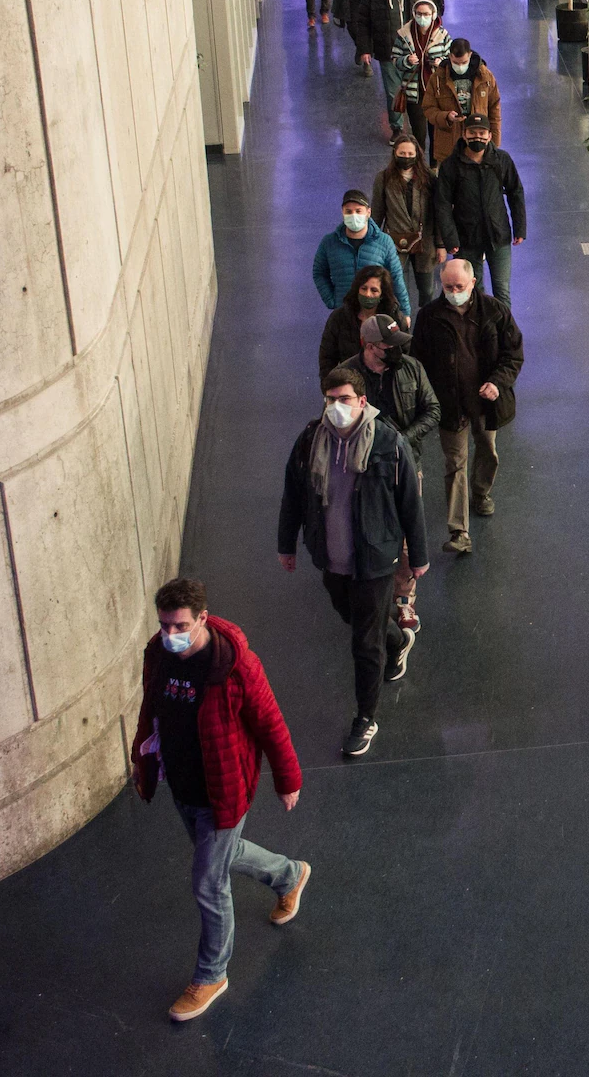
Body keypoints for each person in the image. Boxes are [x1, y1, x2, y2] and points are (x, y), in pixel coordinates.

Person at [132, 578, 306, 1023]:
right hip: (183, 785)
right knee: (222, 858)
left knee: (208, 883)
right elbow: (150, 710)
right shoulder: (158, 653)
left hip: (223, 791)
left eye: (180, 625)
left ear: (203, 619)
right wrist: (142, 760)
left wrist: (288, 779)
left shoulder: (235, 666)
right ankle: (289, 875)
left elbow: (270, 722)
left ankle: (212, 974)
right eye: (165, 625)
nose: (171, 634)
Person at [277, 365, 430, 757]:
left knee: (364, 643)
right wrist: (287, 545)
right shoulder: (311, 440)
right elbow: (293, 494)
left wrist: (419, 556)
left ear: (362, 402)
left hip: (375, 559)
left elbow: (410, 502)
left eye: (344, 399)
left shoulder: (388, 443)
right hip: (332, 558)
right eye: (330, 399)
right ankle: (397, 640)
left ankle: (366, 717)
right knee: (357, 619)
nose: (336, 407)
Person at [410, 259, 524, 555]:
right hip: (450, 404)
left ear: (473, 283)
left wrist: (497, 383)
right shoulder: (429, 317)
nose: (454, 291)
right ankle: (459, 531)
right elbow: (417, 363)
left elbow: (513, 354)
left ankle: (481, 492)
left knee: (488, 450)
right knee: (455, 463)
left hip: (486, 404)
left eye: (459, 286)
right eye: (448, 287)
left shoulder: (495, 311)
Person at [344, 313, 440, 626]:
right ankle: (370, 594)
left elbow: (433, 409)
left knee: (408, 537)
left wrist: (402, 440)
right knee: (365, 532)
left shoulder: (411, 368)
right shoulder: (345, 377)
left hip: (407, 464)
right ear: (369, 346)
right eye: (389, 346)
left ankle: (404, 600)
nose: (397, 351)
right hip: (362, 471)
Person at [434, 115, 526, 306]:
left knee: (502, 291)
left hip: (498, 235)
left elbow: (515, 192)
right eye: (472, 133)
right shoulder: (450, 166)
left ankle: (503, 333)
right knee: (473, 292)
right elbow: (442, 204)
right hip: (466, 239)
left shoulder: (501, 160)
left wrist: (520, 228)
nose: (478, 137)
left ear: (490, 135)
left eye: (482, 133)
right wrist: (450, 239)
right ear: (464, 135)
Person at [371, 132, 444, 307]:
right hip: (394, 241)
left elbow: (439, 213)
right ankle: (401, 326)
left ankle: (425, 324)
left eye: (410, 154)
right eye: (402, 154)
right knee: (396, 288)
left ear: (417, 155)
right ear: (394, 153)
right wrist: (372, 242)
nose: (406, 157)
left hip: (425, 242)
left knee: (427, 290)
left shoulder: (430, 178)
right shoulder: (383, 178)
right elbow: (377, 212)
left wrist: (441, 245)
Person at [312, 188, 411, 318]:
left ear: (368, 212)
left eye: (358, 211)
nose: (354, 215)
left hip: (376, 312)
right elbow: (319, 272)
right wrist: (331, 300)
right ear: (343, 212)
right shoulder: (329, 242)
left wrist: (404, 311)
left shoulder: (384, 242)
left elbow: (396, 277)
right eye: (349, 211)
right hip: (344, 312)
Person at [392, 0, 451, 165]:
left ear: (433, 15)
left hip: (436, 92)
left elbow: (451, 59)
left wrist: (442, 63)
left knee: (436, 132)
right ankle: (418, 166)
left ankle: (434, 166)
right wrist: (406, 61)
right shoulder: (404, 34)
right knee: (418, 133)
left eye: (426, 14)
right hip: (414, 93)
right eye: (418, 13)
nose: (422, 17)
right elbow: (395, 59)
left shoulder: (442, 35)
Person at [318, 264, 402, 382]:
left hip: (386, 385)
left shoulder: (395, 318)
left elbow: (404, 356)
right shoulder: (339, 318)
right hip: (349, 386)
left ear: (382, 295)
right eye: (363, 288)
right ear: (357, 289)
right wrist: (331, 389)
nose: (368, 294)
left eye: (374, 290)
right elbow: (327, 359)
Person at [423, 39, 501, 164]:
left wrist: (494, 146)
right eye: (455, 63)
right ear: (449, 57)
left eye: (464, 62)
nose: (460, 66)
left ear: (470, 55)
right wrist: (446, 117)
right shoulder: (437, 79)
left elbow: (494, 110)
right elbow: (428, 108)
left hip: (478, 143)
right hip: (449, 145)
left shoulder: (486, 77)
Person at [358, 0, 412, 121]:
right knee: (393, 91)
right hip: (387, 51)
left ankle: (415, 127)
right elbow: (363, 23)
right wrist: (365, 49)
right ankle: (397, 127)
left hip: (412, 51)